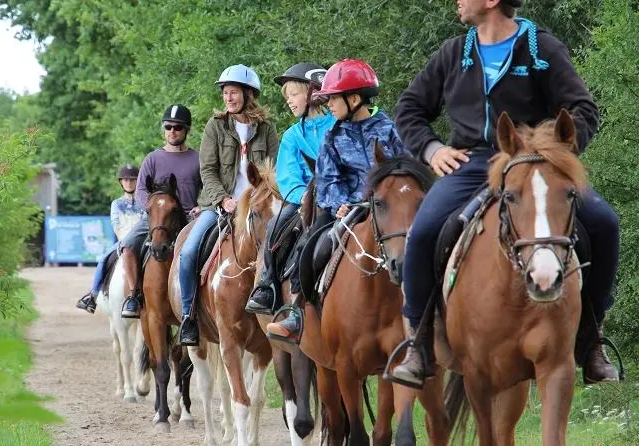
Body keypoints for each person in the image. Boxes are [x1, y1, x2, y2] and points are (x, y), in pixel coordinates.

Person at [388, 0, 620, 387]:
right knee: (424, 231)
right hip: (471, 164)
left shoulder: (541, 49)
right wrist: (433, 149)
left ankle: (590, 341)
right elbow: (409, 108)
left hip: (531, 165)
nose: (457, 2)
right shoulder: (452, 53)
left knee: (604, 222)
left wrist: (554, 154)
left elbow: (583, 108)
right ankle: (420, 343)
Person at [266, 59, 409, 342]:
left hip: (388, 205)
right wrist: (338, 203)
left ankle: (437, 304)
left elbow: (406, 166)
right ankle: (296, 310)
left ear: (353, 99)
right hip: (347, 208)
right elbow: (327, 179)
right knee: (310, 244)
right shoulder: (333, 136)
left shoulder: (389, 129)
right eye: (327, 98)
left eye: (333, 98)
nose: (329, 103)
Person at [178, 64, 279, 345]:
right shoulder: (216, 126)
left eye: (233, 92)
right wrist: (224, 199)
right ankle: (188, 317)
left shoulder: (266, 129)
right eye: (225, 92)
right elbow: (207, 170)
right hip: (220, 206)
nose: (228, 98)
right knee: (187, 254)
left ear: (248, 94)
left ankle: (283, 311)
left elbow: (274, 170)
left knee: (285, 246)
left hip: (259, 207)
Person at [245, 62, 336, 315]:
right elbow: (287, 177)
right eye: (287, 97)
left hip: (341, 198)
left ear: (313, 92)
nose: (289, 101)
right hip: (304, 199)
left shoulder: (338, 126)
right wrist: (305, 195)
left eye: (293, 94)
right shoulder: (292, 136)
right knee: (275, 226)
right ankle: (266, 286)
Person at [118, 104, 203, 318]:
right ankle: (134, 295)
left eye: (178, 127)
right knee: (128, 245)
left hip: (189, 219)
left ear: (187, 130)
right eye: (168, 127)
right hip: (156, 219)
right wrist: (154, 207)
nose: (172, 131)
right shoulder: (153, 159)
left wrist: (202, 206)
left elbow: (208, 185)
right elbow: (140, 190)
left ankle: (204, 301)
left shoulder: (198, 159)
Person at [76, 164, 144, 313]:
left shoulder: (144, 202)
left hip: (143, 240)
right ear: (121, 182)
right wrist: (125, 241)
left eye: (132, 180)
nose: (129, 183)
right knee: (103, 259)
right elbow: (116, 226)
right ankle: (92, 296)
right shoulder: (117, 204)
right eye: (126, 180)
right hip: (124, 240)